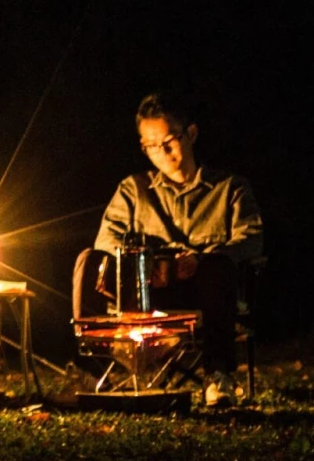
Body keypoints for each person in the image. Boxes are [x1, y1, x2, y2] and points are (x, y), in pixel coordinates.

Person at [73, 91, 264, 403]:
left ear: (190, 133)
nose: (160, 152)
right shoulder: (134, 190)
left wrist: (201, 260)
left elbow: (251, 239)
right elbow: (106, 240)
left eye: (168, 141)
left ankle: (218, 375)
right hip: (143, 292)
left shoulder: (229, 188)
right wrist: (142, 263)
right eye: (150, 145)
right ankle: (92, 370)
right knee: (89, 259)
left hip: (202, 291)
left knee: (218, 266)